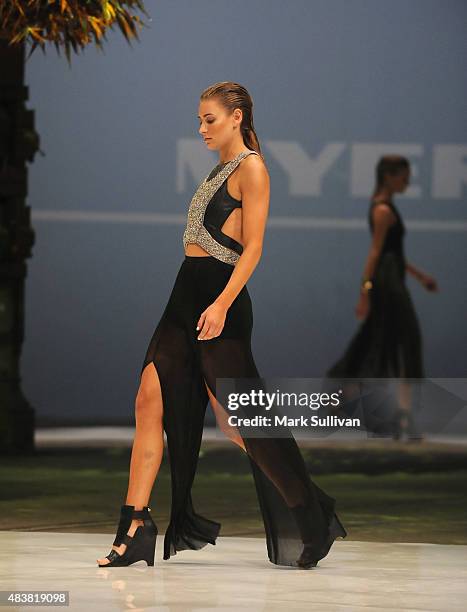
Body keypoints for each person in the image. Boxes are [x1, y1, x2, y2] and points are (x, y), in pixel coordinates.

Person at [97, 81, 347, 570]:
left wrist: (222, 304)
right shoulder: (220, 169)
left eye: (209, 119)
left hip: (219, 301)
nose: (202, 128)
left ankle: (310, 512)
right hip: (184, 296)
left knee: (239, 425)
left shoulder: (252, 167)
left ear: (236, 116)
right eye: (198, 121)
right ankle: (135, 526)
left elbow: (253, 247)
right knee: (149, 398)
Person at [326, 155, 438, 440]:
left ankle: (342, 400)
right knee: (402, 345)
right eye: (403, 176)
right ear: (388, 176)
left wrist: (420, 276)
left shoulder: (386, 208)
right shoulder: (382, 210)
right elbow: (376, 253)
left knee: (380, 343)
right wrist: (365, 291)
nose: (407, 182)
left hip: (392, 281)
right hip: (389, 287)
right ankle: (402, 419)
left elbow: (393, 254)